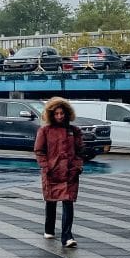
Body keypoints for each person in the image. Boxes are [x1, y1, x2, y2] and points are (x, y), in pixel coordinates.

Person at [34, 97, 84, 248]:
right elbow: (39, 150)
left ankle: (67, 236)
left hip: (70, 173)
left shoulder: (74, 131)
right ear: (51, 115)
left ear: (67, 113)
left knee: (68, 202)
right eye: (56, 114)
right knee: (51, 200)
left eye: (62, 113)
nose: (60, 116)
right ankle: (49, 228)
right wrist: (46, 166)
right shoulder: (45, 131)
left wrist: (77, 166)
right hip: (52, 172)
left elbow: (80, 151)